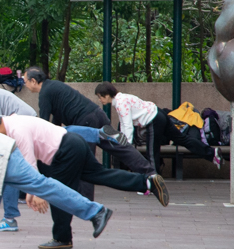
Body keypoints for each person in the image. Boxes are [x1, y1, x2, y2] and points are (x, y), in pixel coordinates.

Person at [0, 112, 169, 249]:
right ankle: (148, 183)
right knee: (99, 174)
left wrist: (35, 193)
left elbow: (29, 165)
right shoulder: (13, 120)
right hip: (73, 142)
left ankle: (62, 238)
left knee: (56, 192)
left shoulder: (16, 130)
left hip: (65, 151)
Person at [24, 66, 156, 176]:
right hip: (98, 114)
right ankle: (150, 173)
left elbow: (44, 123)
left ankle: (84, 202)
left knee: (83, 163)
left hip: (86, 121)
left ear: (34, 81)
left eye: (26, 81)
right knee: (119, 146)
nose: (25, 85)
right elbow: (57, 117)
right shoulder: (54, 85)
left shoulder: (45, 93)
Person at [95, 82, 223, 173]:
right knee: (182, 139)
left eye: (100, 97)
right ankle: (212, 153)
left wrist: (126, 146)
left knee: (152, 153)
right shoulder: (123, 98)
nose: (100, 100)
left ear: (106, 95)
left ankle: (152, 184)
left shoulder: (121, 104)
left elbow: (127, 126)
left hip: (153, 120)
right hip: (159, 114)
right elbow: (124, 124)